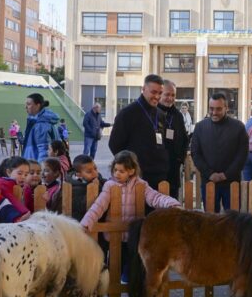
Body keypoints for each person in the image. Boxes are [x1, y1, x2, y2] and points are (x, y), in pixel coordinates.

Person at [80, 150, 181, 283]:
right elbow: (99, 206)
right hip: (114, 235)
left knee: (133, 265)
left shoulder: (141, 185)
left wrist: (173, 204)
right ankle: (113, 292)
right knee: (115, 264)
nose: (117, 174)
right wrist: (86, 222)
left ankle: (130, 289)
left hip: (133, 236)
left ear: (131, 171)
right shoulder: (109, 186)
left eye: (121, 171)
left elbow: (155, 198)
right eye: (115, 170)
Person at [109, 74, 169, 189]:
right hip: (137, 177)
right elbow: (114, 145)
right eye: (153, 92)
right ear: (143, 89)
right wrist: (128, 169)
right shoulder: (127, 114)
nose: (157, 96)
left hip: (159, 175)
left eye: (160, 93)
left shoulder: (160, 114)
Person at [191, 92, 249, 212]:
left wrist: (226, 175)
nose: (214, 112)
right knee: (211, 222)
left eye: (218, 109)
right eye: (211, 108)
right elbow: (196, 154)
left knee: (233, 222)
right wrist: (210, 174)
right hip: (209, 181)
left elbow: (242, 155)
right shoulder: (200, 127)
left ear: (226, 108)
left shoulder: (238, 127)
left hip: (231, 181)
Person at [158, 80, 190, 199]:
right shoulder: (151, 113)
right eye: (167, 94)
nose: (170, 98)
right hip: (155, 170)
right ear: (160, 94)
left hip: (172, 169)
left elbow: (185, 139)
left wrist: (180, 159)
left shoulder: (177, 115)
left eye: (173, 95)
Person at [21, 93, 61, 162]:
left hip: (35, 167)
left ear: (37, 105)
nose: (26, 106)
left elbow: (44, 152)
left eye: (29, 104)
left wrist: (40, 171)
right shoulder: (43, 119)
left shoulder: (41, 124)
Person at [0, 156, 32, 222]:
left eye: (26, 174)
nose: (23, 177)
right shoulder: (2, 184)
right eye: (20, 173)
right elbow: (11, 199)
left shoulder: (23, 186)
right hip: (9, 218)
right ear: (9, 172)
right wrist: (24, 212)